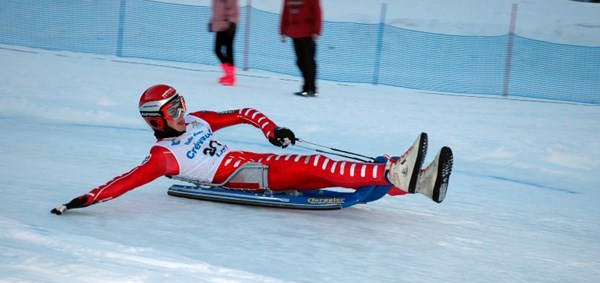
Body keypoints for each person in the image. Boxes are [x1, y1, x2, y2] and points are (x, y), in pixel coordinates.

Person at [50, 84, 451, 215]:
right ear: (156, 120)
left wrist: (272, 130)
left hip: (260, 161)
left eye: (181, 103)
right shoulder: (163, 157)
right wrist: (83, 200)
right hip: (246, 178)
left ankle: (418, 181)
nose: (182, 111)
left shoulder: (197, 121)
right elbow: (125, 182)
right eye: (173, 109)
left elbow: (243, 112)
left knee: (324, 169)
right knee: (320, 166)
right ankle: (391, 172)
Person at [280, 0, 322, 97]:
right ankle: (306, 87)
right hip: (295, 33)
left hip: (308, 33)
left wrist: (316, 31)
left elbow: (317, 13)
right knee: (300, 61)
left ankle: (311, 88)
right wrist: (283, 30)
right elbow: (285, 13)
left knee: (309, 61)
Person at [210, 0, 239, 86]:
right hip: (219, 26)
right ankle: (228, 74)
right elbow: (215, 11)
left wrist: (232, 23)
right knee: (217, 49)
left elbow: (234, 9)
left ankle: (230, 76)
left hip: (228, 25)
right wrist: (212, 22)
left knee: (228, 49)